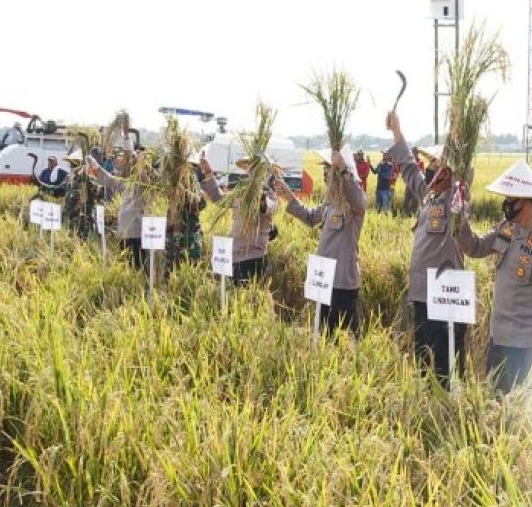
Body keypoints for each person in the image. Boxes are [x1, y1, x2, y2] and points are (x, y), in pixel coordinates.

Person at [455, 161, 532, 393]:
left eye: (512, 200)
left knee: (519, 412)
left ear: (530, 201)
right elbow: (475, 247)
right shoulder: (506, 229)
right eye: (506, 199)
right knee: (494, 405)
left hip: (525, 345)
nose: (506, 205)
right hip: (497, 339)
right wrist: (459, 218)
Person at [386, 111, 466, 386]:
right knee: (423, 365)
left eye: (437, 164)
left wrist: (459, 140)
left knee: (446, 371)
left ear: (450, 170)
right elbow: (409, 168)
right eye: (430, 163)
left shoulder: (455, 202)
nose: (430, 168)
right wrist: (397, 132)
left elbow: (462, 178)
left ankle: (448, 417)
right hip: (421, 293)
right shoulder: (428, 196)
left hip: (446, 298)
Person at [274, 147, 367, 335]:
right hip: (324, 279)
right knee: (324, 334)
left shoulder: (354, 205)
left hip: (343, 283)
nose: (325, 173)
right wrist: (290, 197)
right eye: (325, 168)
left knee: (348, 336)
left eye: (329, 168)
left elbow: (357, 197)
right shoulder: (330, 202)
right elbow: (311, 218)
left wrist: (344, 170)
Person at [199, 154, 278, 284]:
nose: (251, 170)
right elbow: (219, 199)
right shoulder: (241, 193)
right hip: (235, 256)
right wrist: (208, 173)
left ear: (264, 171)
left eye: (257, 168)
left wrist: (258, 190)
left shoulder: (270, 195)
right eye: (249, 167)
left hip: (254, 259)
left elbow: (267, 206)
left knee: (250, 299)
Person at [90, 151, 149, 269]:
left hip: (137, 234)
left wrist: (139, 163)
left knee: (138, 265)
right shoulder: (127, 184)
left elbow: (144, 177)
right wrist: (96, 167)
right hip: (124, 233)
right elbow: (110, 180)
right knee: (126, 265)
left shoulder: (145, 185)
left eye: (135, 166)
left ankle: (139, 285)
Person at [61, 150, 102, 237]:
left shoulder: (88, 178)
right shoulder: (69, 177)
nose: (71, 166)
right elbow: (61, 190)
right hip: (69, 216)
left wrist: (88, 181)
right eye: (71, 164)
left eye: (73, 163)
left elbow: (97, 194)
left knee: (83, 240)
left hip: (83, 218)